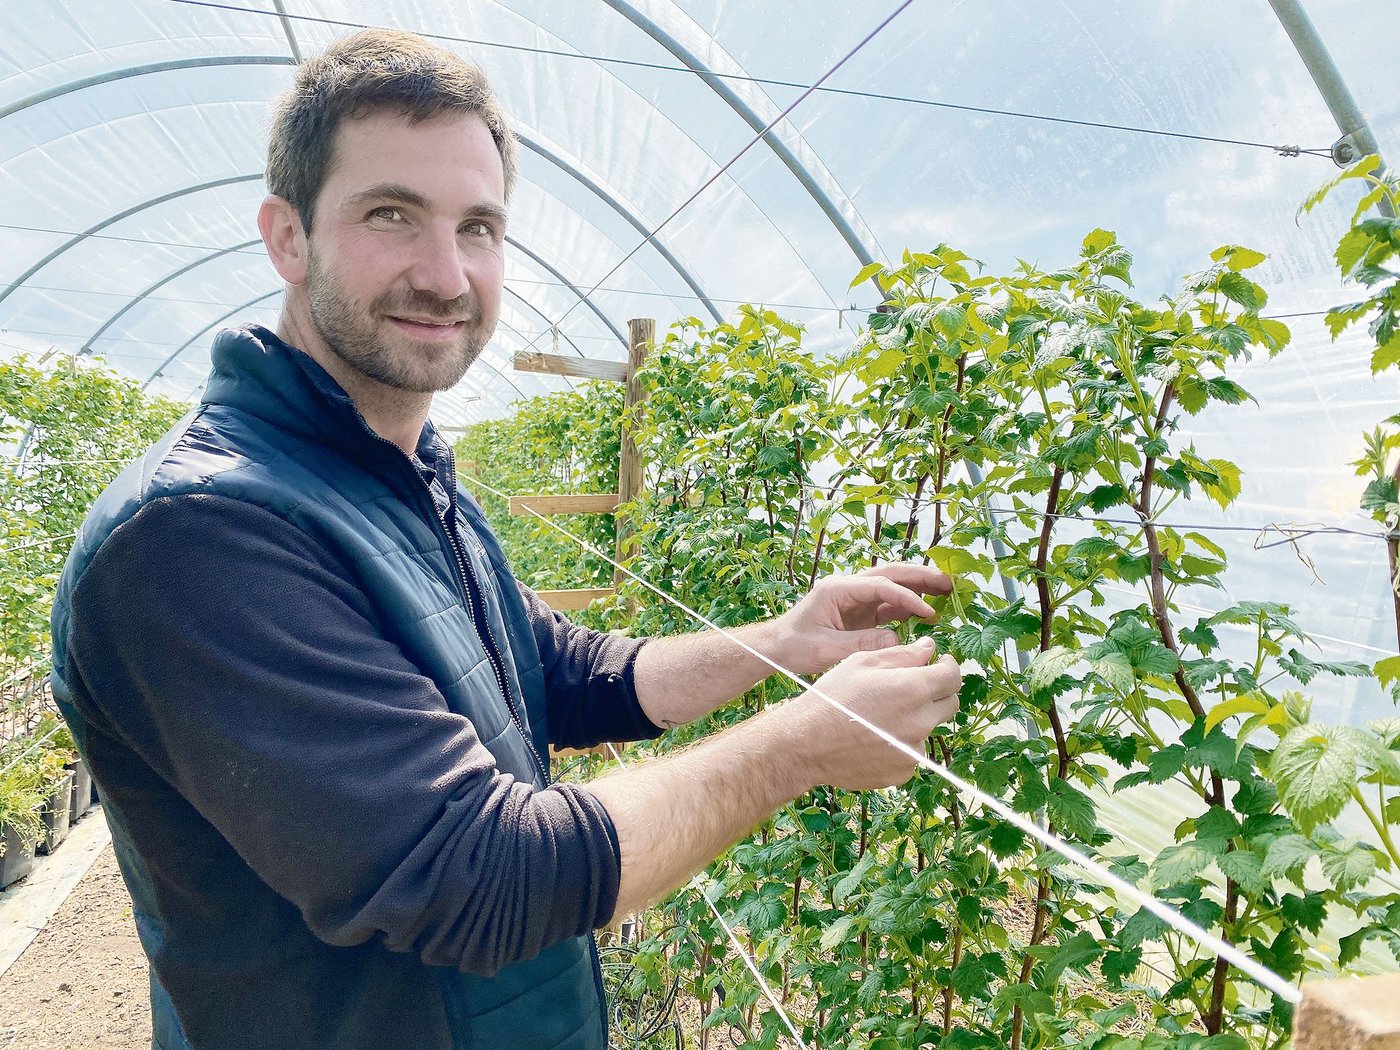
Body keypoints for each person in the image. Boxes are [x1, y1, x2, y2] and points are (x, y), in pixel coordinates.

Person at [49, 28, 962, 1050]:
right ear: (288, 237)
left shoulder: (401, 474)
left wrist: (780, 646)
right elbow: (475, 876)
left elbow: (560, 672)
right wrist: (798, 745)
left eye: (477, 227)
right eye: (391, 215)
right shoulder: (196, 538)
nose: (445, 274)